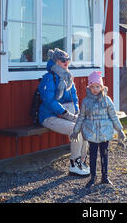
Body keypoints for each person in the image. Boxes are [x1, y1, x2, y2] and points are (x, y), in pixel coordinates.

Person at [70, 71, 126, 188]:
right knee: (93, 155)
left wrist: (120, 130)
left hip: (105, 134)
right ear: (89, 87)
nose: (95, 89)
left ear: (101, 87)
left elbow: (113, 116)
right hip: (92, 134)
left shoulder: (107, 100)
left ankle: (105, 177)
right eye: (92, 87)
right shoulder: (86, 101)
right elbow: (81, 117)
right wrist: (76, 131)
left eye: (97, 86)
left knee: (104, 154)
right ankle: (93, 177)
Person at [38, 48, 89, 176]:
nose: (66, 62)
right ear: (56, 61)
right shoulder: (49, 78)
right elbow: (49, 101)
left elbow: (75, 98)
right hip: (49, 117)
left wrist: (76, 112)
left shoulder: (68, 78)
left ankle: (82, 161)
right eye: (63, 60)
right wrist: (67, 114)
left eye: (68, 59)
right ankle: (74, 164)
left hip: (66, 115)